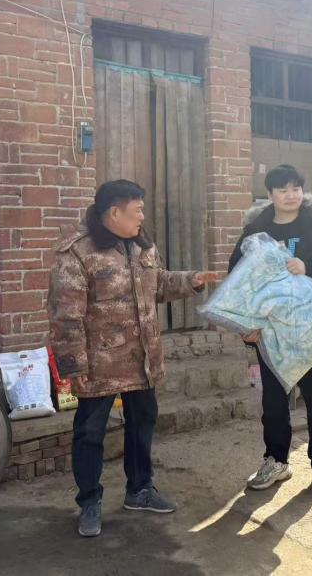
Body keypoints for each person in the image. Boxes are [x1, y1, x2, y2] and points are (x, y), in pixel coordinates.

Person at [48, 179, 220, 538]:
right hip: (99, 366)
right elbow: (66, 316)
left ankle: (140, 490)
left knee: (142, 424)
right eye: (137, 209)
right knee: (90, 433)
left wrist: (191, 280)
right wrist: (74, 366)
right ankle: (89, 501)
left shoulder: (143, 245)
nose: (143, 216)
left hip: (142, 361)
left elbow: (157, 285)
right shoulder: (77, 252)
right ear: (114, 212)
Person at [228, 164, 312, 498]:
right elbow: (238, 279)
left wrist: (309, 266)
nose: (291, 195)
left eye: (296, 188)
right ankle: (276, 461)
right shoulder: (256, 231)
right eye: (283, 190)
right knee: (273, 402)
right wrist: (247, 324)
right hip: (271, 330)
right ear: (270, 194)